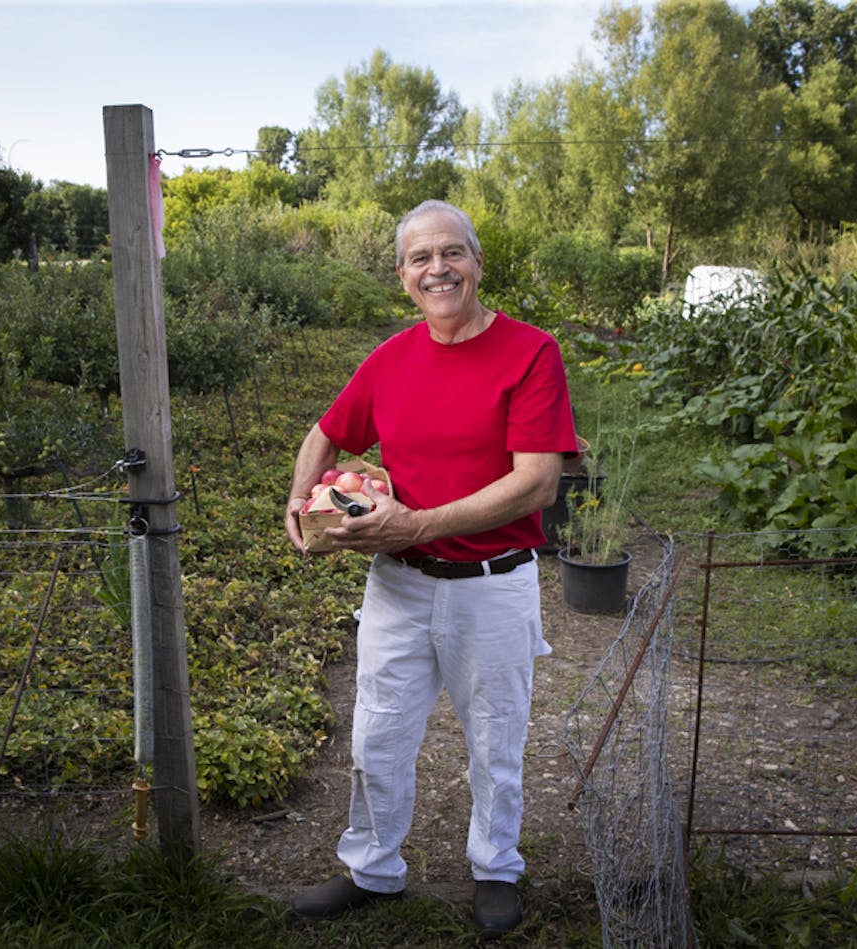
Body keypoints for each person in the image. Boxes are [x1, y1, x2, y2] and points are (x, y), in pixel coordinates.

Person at [283, 199, 577, 936]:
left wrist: (417, 522)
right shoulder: (391, 359)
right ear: (403, 276)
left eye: (452, 253)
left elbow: (538, 480)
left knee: (495, 738)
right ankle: (373, 869)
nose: (437, 268)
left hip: (494, 583)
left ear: (477, 263)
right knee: (376, 735)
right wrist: (299, 499)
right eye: (421, 258)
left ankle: (496, 868)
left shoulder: (530, 351)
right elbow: (326, 431)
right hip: (400, 585)